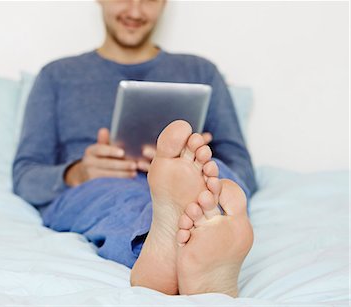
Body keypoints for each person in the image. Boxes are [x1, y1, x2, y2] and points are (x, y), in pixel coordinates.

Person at [13, 0, 257, 297]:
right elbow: (24, 175)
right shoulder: (56, 76)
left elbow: (241, 164)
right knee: (113, 199)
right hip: (102, 184)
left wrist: (189, 156)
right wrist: (78, 173)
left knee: (217, 171)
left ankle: (178, 232)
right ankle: (188, 237)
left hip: (191, 181)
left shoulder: (201, 71)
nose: (135, 11)